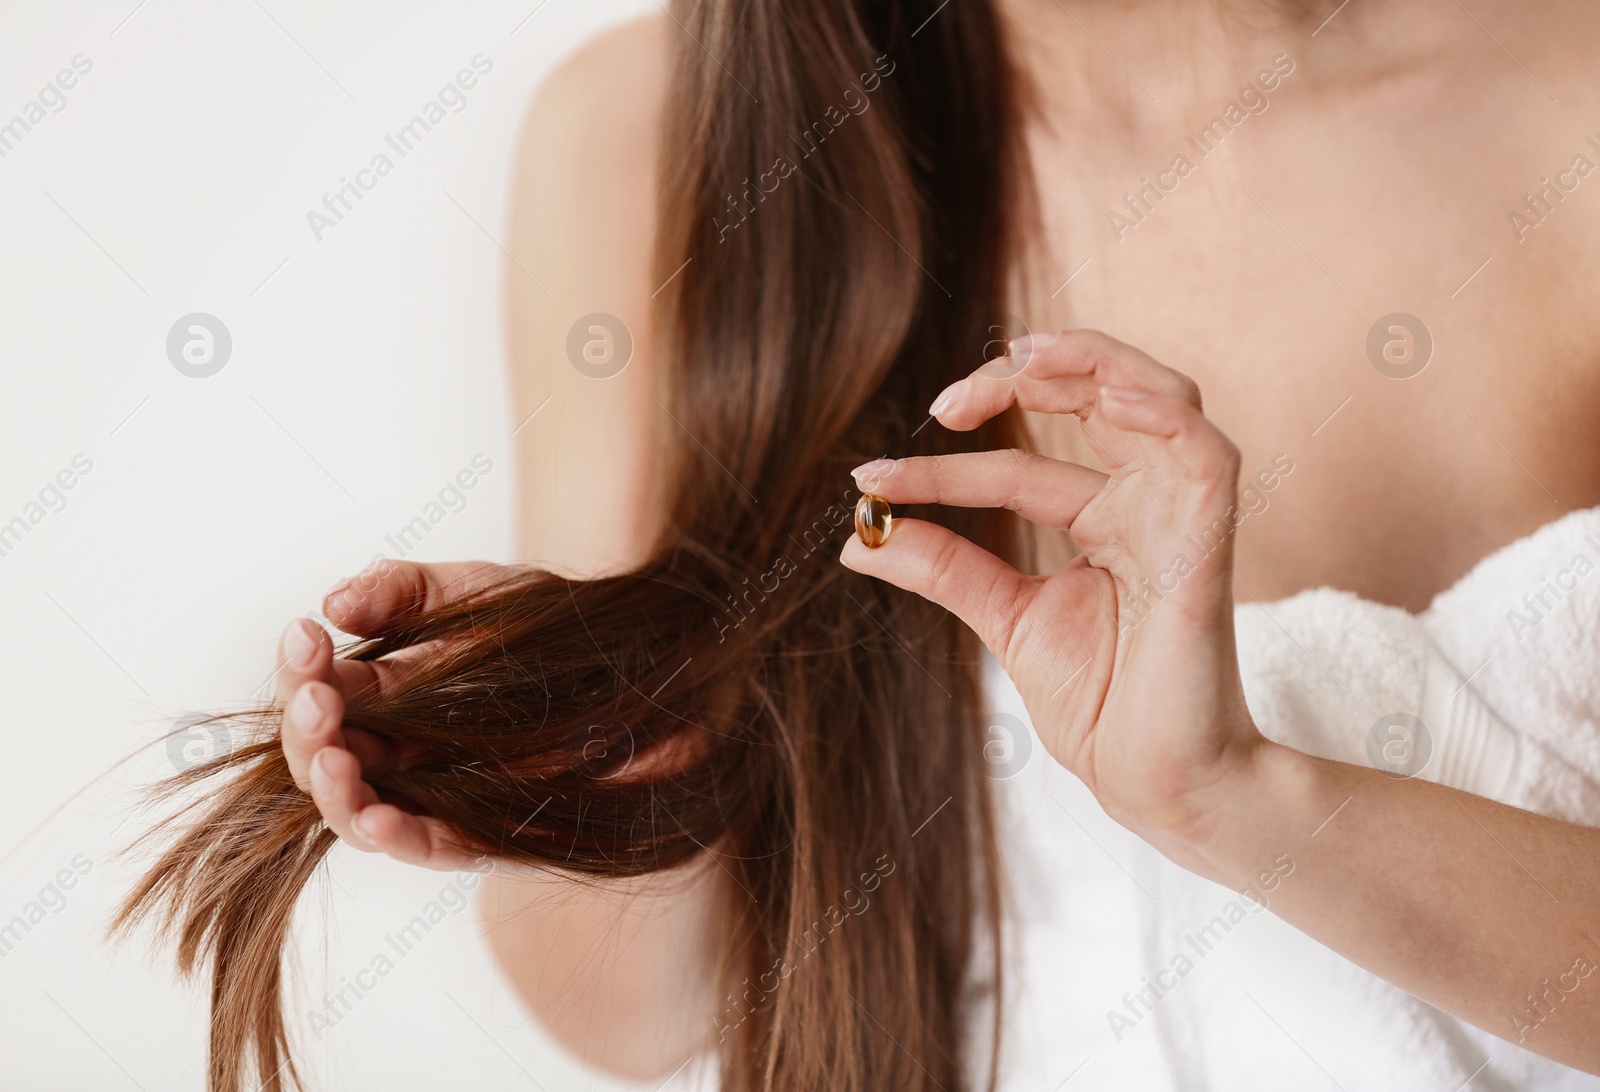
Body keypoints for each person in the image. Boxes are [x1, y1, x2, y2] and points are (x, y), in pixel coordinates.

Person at [123, 2, 1600, 1090]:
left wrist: (1242, 800)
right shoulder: (655, 136)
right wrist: (614, 787)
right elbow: (632, 1018)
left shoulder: (1564, 98)